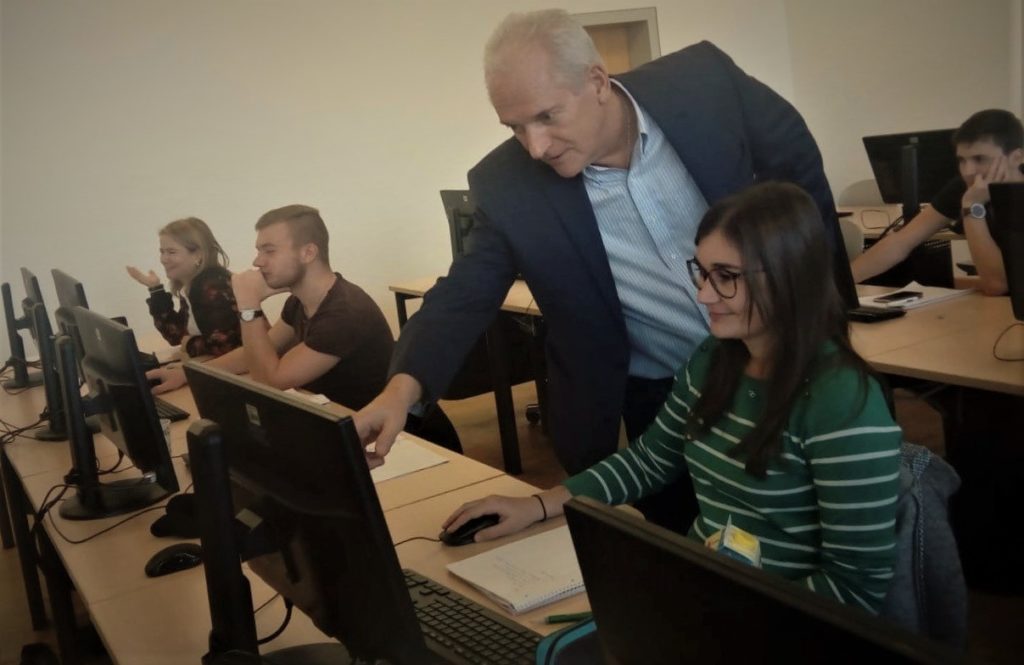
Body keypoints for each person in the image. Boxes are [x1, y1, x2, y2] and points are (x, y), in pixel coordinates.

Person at [355, 9, 842, 532]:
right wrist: (400, 390)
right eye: (515, 126)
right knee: (690, 557)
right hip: (663, 402)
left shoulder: (705, 82)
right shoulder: (507, 183)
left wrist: (826, 308)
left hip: (786, 373)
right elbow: (465, 291)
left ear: (596, 81)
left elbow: (796, 167)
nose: (535, 146)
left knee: (807, 541)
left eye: (547, 117)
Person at [443, 182, 903, 613]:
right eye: (702, 272)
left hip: (778, 624)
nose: (703, 294)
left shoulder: (842, 401)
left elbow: (854, 590)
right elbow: (650, 461)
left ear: (789, 276)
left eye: (726, 276)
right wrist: (538, 504)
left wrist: (712, 617)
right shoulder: (714, 359)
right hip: (703, 584)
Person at [148, 205, 461, 452]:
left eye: (269, 251)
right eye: (258, 250)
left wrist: (248, 306)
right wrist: (185, 374)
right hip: (356, 427)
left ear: (308, 253)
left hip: (412, 441)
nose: (257, 261)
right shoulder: (300, 302)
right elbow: (253, 354)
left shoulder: (343, 312)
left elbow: (271, 379)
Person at [851, 109, 1024, 295]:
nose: (967, 171)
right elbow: (901, 242)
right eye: (962, 160)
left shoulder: (974, 196)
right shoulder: (966, 187)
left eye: (980, 159)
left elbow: (998, 285)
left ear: (1017, 157)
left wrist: (972, 207)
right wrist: (839, 284)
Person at [126, 217, 240, 357]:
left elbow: (226, 347)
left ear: (198, 255)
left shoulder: (212, 285)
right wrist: (155, 289)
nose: (163, 259)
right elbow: (175, 335)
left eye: (171, 252)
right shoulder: (191, 285)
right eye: (162, 251)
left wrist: (189, 343)